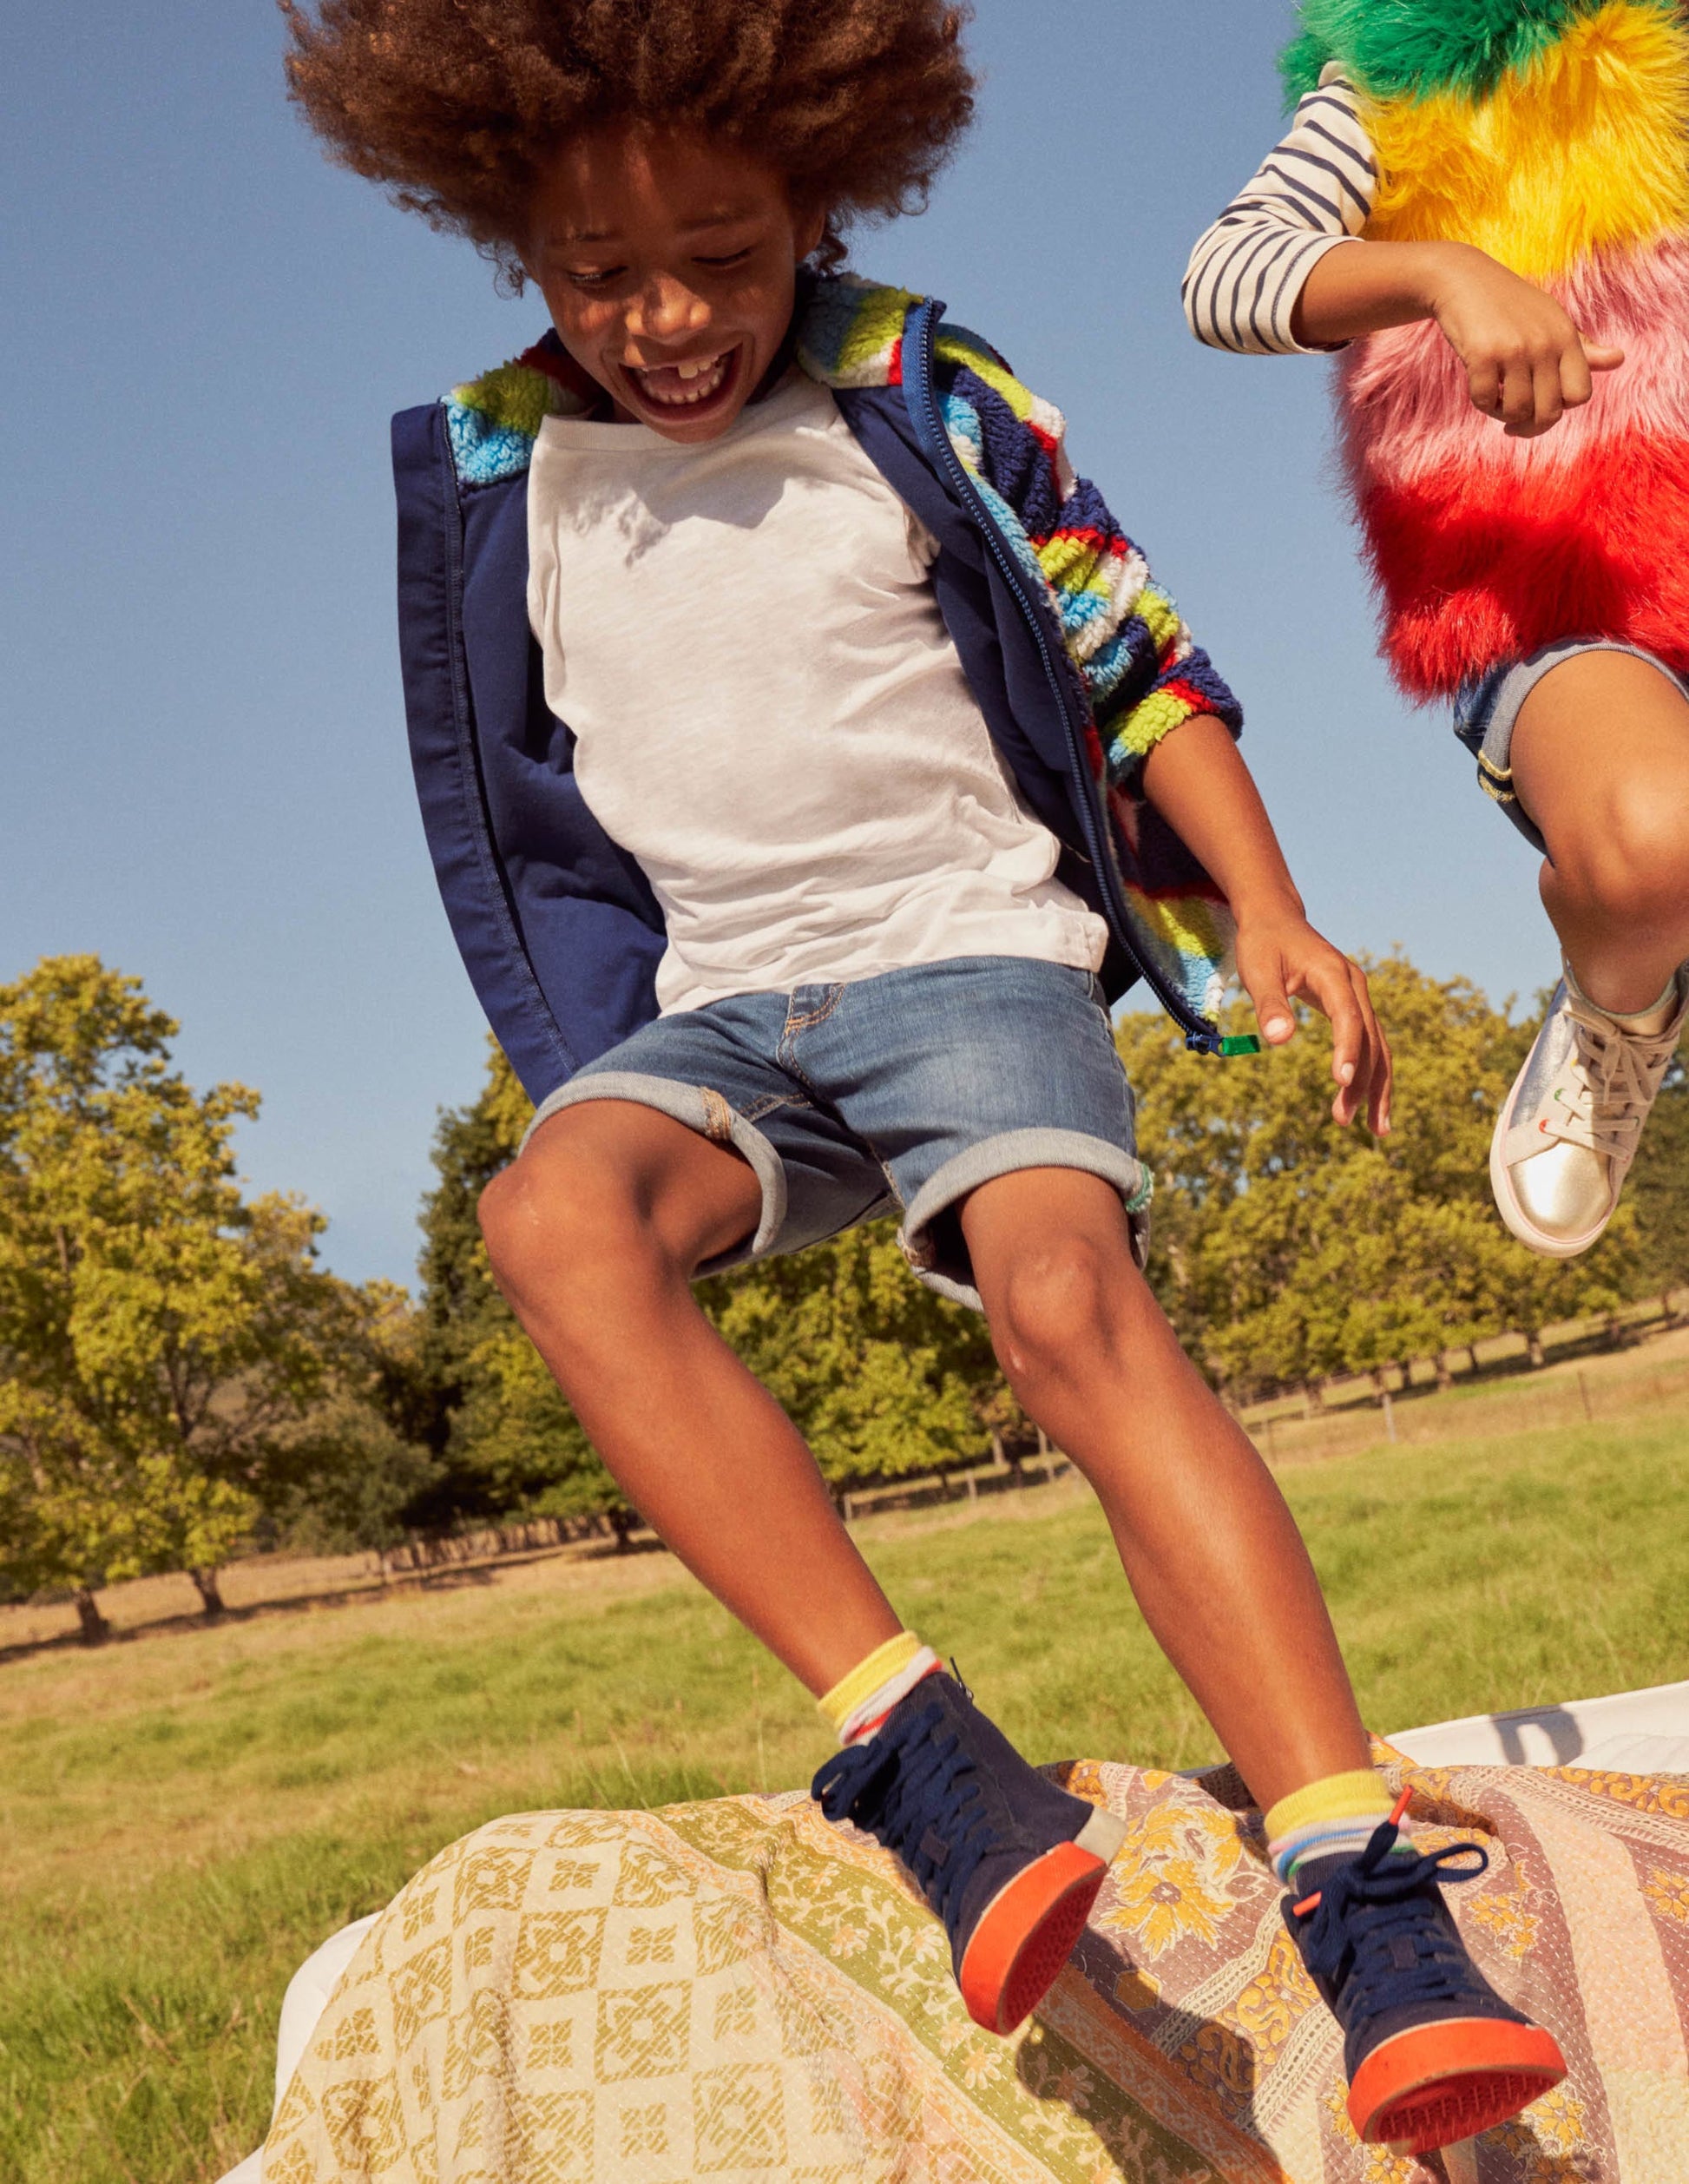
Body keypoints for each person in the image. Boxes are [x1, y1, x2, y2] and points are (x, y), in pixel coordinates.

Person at [284, 0, 1562, 2152]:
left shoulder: (919, 391)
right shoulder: (497, 477)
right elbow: (521, 802)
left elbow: (1130, 657)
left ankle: (1359, 1895)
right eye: (601, 272)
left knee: (1064, 1302)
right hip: (724, 1015)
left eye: (725, 250)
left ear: (822, 195)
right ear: (504, 228)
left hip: (966, 952)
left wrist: (1264, 907)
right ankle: (916, 1755)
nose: (666, 314)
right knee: (545, 1217)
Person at [1185, 2, 1689, 1264]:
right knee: (1652, 843)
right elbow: (1225, 275)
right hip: (1550, 602)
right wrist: (1440, 272)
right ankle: (1617, 1009)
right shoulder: (1395, 77)